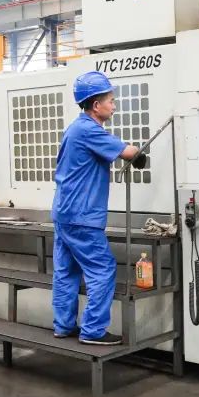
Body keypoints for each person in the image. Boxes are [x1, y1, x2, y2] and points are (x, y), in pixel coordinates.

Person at [51, 71, 147, 346]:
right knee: (102, 269)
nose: (114, 106)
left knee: (66, 271)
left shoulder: (75, 128)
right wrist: (139, 153)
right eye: (111, 101)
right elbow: (130, 152)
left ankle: (63, 326)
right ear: (96, 105)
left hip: (65, 213)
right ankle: (93, 331)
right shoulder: (89, 130)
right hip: (82, 217)